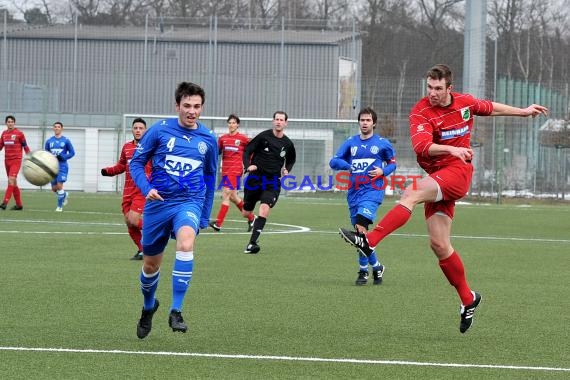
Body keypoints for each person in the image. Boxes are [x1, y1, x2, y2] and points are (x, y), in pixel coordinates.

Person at [339, 64, 549, 333]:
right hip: (439, 175)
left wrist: (523, 111)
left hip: (458, 173)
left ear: (449, 88)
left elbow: (489, 107)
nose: (433, 93)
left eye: (438, 88)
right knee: (439, 245)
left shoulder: (464, 103)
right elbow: (422, 146)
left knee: (411, 193)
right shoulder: (421, 111)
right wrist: (452, 148)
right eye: (429, 87)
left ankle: (369, 241)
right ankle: (468, 298)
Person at [129, 82, 218, 339]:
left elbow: (211, 177)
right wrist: (147, 189)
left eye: (197, 106)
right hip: (158, 204)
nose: (192, 111)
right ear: (177, 105)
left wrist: (203, 214)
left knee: (186, 244)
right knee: (150, 265)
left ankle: (176, 310)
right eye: (187, 105)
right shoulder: (159, 131)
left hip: (189, 202)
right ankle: (148, 307)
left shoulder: (208, 140)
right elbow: (136, 163)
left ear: (202, 108)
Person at [330, 107, 397, 286]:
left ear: (374, 123)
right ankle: (376, 266)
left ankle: (362, 271)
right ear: (358, 122)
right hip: (353, 193)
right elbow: (333, 161)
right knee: (361, 235)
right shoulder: (351, 143)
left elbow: (392, 164)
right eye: (362, 120)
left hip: (373, 191)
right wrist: (348, 165)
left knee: (360, 227)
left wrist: (383, 170)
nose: (365, 123)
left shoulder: (382, 143)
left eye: (368, 120)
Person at [241, 111, 296, 254]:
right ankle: (251, 218)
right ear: (273, 121)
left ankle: (252, 243)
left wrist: (287, 170)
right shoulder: (263, 136)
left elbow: (291, 159)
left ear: (286, 123)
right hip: (255, 179)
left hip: (272, 182)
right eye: (276, 119)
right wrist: (248, 166)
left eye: (281, 120)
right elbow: (247, 151)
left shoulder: (287, 143)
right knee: (245, 212)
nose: (278, 122)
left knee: (264, 209)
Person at [101, 117, 149, 260]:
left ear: (145, 131)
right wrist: (108, 171)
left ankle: (159, 228)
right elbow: (121, 165)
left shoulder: (151, 148)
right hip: (128, 190)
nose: (138, 130)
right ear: (132, 130)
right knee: (129, 222)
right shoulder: (127, 147)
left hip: (142, 189)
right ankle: (142, 250)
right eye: (136, 128)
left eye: (141, 128)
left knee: (134, 220)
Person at [209, 114, 255, 232]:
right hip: (225, 170)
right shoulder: (223, 138)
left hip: (235, 170)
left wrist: (250, 164)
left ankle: (218, 223)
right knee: (234, 197)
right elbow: (217, 152)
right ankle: (251, 218)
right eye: (230, 123)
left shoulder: (243, 139)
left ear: (238, 125)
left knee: (225, 194)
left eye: (234, 123)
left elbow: (252, 150)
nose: (232, 125)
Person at [0, 115, 30, 210]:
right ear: (6, 123)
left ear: (14, 123)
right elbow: (0, 146)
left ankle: (4, 202)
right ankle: (19, 205)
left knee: (11, 180)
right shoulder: (4, 134)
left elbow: (25, 146)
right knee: (14, 183)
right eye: (8, 122)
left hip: (16, 160)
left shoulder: (19, 134)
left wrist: (30, 157)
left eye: (12, 121)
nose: (10, 123)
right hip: (7, 160)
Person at [44, 121, 75, 212]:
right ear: (53, 128)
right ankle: (64, 194)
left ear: (61, 129)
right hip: (52, 167)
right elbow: (46, 154)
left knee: (59, 185)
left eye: (58, 127)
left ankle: (59, 207)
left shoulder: (66, 140)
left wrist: (63, 156)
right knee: (54, 189)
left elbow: (72, 152)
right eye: (55, 127)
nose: (57, 128)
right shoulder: (49, 141)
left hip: (62, 166)